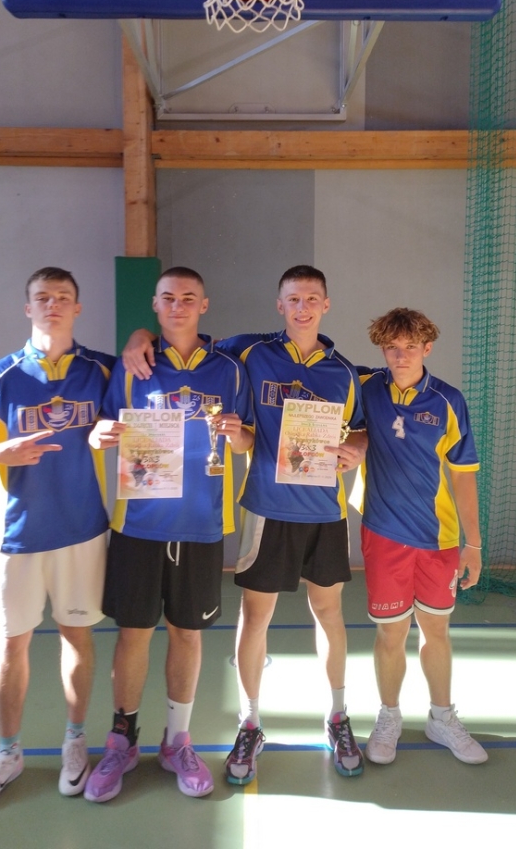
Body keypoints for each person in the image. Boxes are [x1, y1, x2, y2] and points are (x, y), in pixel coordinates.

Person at [124, 265, 368, 786]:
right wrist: (138, 335)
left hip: (325, 511)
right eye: (293, 299)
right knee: (255, 618)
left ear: (326, 305)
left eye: (312, 299)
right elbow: (184, 333)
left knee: (329, 614)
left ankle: (338, 716)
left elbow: (363, 427)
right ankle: (250, 723)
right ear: (279, 305)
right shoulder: (250, 352)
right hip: (266, 507)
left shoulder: (345, 372)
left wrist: (357, 448)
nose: (302, 307)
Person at [0, 267, 115, 813]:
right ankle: (8, 753)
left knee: (77, 637)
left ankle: (75, 740)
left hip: (82, 531)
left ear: (78, 308)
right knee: (11, 644)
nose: (52, 304)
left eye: (63, 297)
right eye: (42, 297)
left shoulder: (101, 370)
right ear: (27, 307)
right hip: (14, 537)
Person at [84, 267, 253, 803]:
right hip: (138, 523)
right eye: (168, 298)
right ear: (155, 306)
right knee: (133, 634)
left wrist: (239, 434)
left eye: (188, 298)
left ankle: (177, 741)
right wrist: (101, 435)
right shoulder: (134, 363)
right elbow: (102, 426)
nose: (178, 306)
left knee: (187, 633)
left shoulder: (230, 368)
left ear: (204, 305)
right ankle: (122, 740)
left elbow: (248, 440)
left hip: (201, 525)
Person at [357, 307, 488, 766]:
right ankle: (389, 716)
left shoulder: (449, 400)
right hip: (384, 535)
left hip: (439, 539)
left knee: (436, 630)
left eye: (410, 346)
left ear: (427, 348)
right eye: (392, 347)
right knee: (391, 633)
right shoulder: (365, 387)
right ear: (382, 349)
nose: (401, 355)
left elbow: (464, 476)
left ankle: (441, 717)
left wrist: (474, 544)